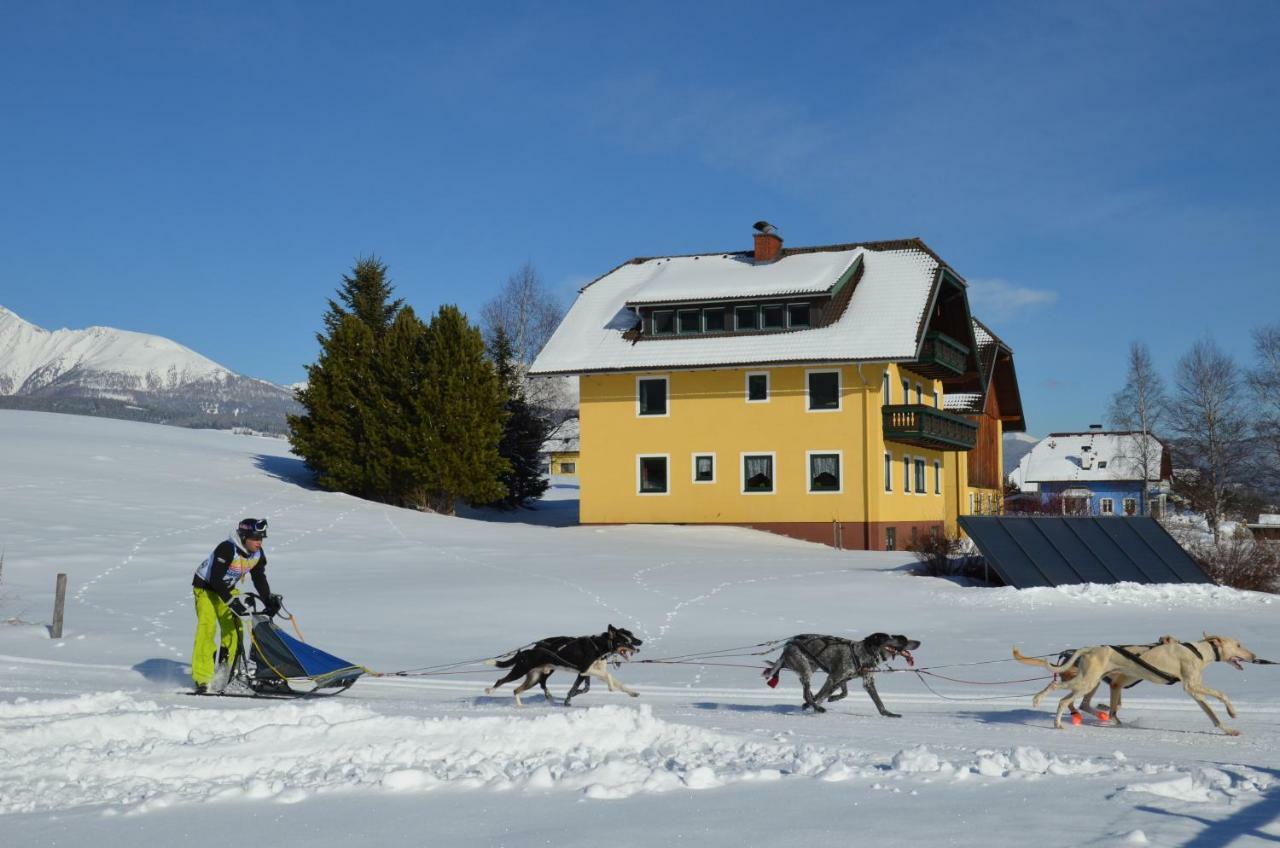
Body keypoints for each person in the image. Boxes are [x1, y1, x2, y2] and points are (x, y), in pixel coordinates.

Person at [190, 517, 281, 693]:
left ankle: (226, 673)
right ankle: (202, 679)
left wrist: (268, 599)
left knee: (234, 630)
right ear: (244, 536)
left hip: (226, 588)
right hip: (206, 588)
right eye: (255, 538)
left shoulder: (257, 554)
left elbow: (259, 578)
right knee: (207, 628)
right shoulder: (227, 548)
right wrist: (232, 602)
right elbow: (216, 579)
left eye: (261, 538)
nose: (259, 542)